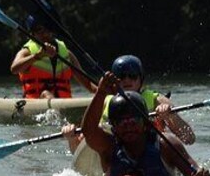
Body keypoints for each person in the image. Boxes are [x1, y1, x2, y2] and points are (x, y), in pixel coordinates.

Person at [81, 71, 210, 176]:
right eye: (121, 122)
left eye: (133, 121)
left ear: (146, 124)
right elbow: (88, 131)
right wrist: (101, 92)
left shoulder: (166, 144)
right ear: (113, 127)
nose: (128, 127)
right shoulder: (108, 147)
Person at [61, 54, 195, 153]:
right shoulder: (103, 102)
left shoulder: (158, 100)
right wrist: (71, 139)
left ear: (140, 79)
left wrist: (169, 116)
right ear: (114, 80)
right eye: (121, 76)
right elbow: (80, 149)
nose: (126, 80)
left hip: (151, 154)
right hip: (113, 155)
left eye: (132, 75)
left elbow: (189, 138)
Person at [10, 15, 96, 99]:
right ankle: (54, 110)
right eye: (39, 30)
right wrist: (37, 56)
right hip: (35, 103)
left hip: (64, 104)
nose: (45, 33)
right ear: (32, 33)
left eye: (48, 28)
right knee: (46, 93)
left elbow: (87, 84)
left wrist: (102, 90)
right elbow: (14, 69)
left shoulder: (67, 54)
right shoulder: (27, 52)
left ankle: (56, 110)